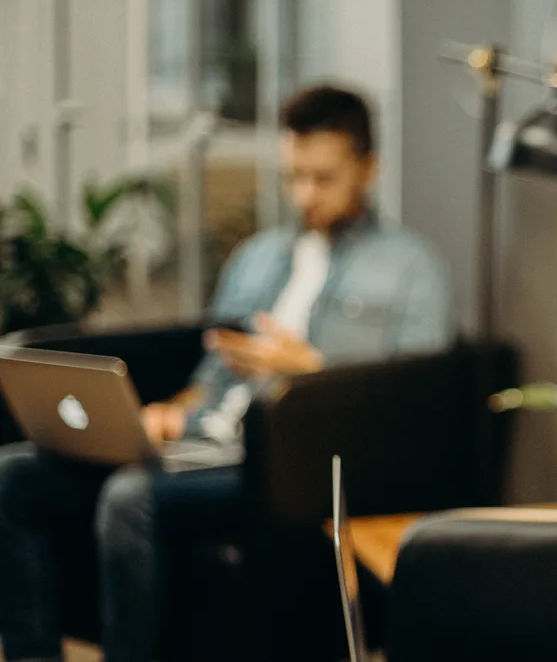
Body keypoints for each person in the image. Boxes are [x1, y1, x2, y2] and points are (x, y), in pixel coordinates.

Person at [0, 84, 453, 662]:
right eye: (293, 176)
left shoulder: (414, 270)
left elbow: (418, 399)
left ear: (369, 167)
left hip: (285, 466)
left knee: (129, 496)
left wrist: (306, 369)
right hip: (201, 444)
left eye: (323, 178)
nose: (304, 194)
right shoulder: (257, 257)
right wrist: (172, 411)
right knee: (14, 477)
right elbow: (211, 377)